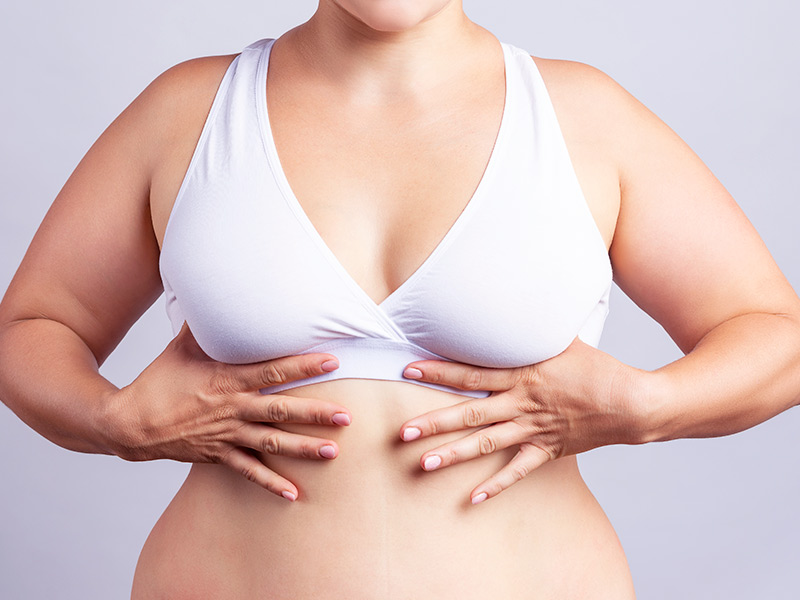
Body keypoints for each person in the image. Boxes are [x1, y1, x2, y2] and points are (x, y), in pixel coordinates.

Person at [1, 1, 799, 598]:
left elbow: (777, 338)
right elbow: (31, 328)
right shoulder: (187, 112)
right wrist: (114, 423)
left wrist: (646, 406)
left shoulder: (584, 117)